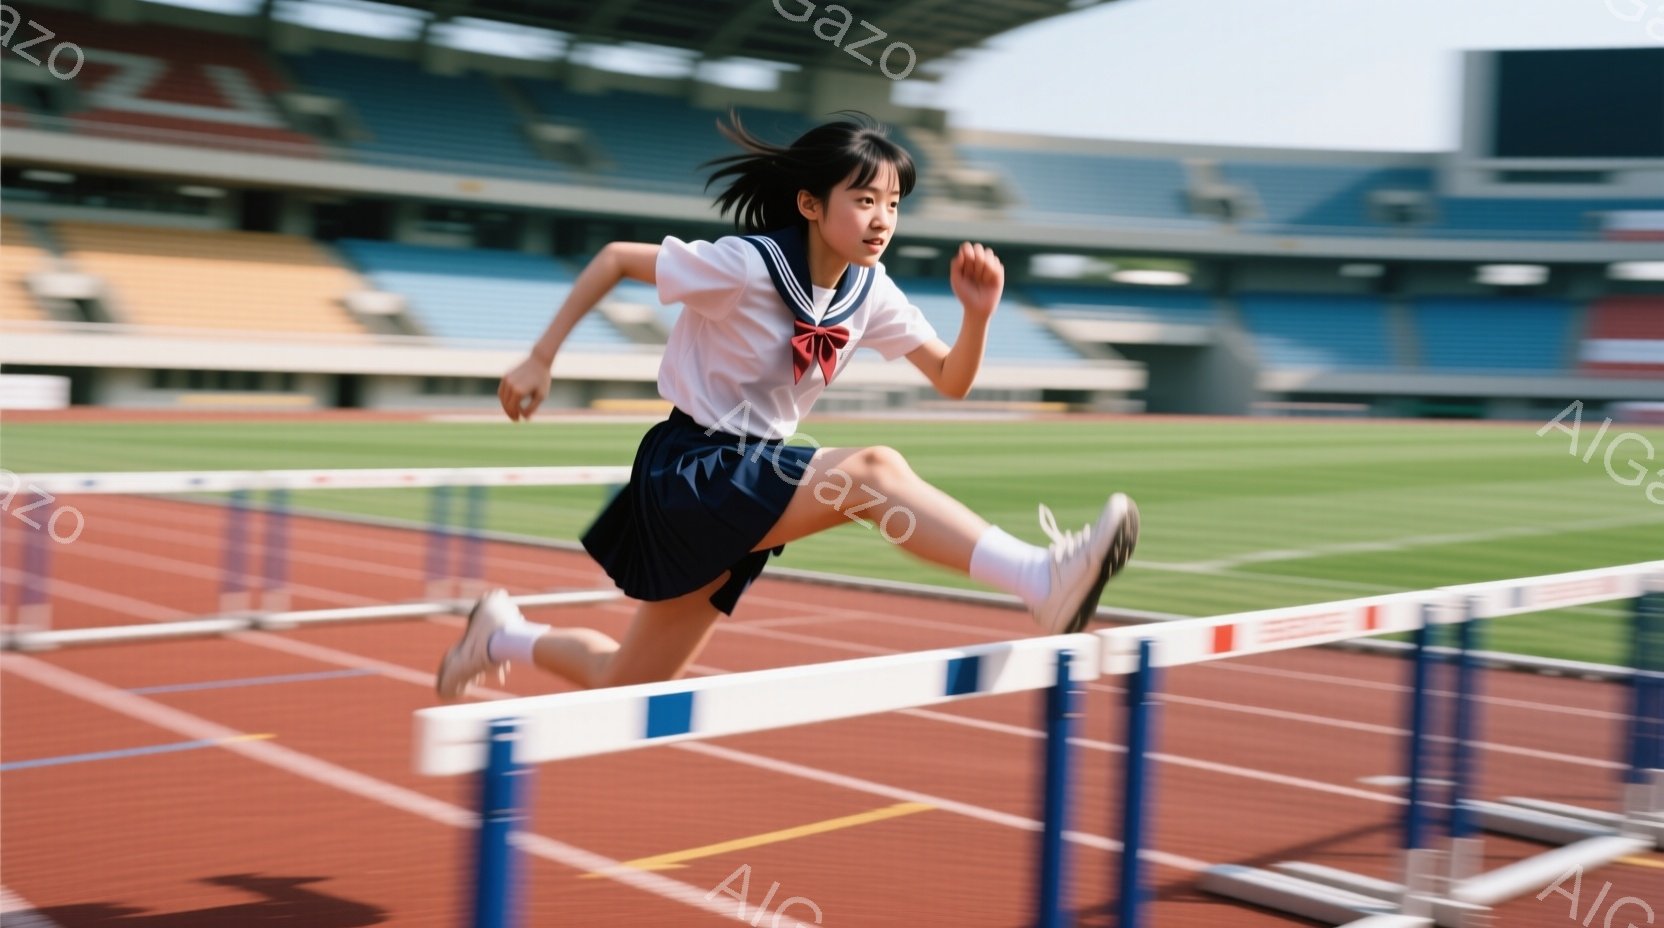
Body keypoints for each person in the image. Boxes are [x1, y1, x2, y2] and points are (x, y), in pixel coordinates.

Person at [436, 113, 1138, 699]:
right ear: (810, 203)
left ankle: (500, 632)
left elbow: (952, 379)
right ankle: (1037, 578)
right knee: (872, 469)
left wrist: (978, 314)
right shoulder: (744, 266)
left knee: (628, 684)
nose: (882, 219)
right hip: (692, 467)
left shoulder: (873, 292)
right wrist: (541, 357)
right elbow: (618, 257)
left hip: (754, 472)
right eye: (864, 200)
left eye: (894, 203)